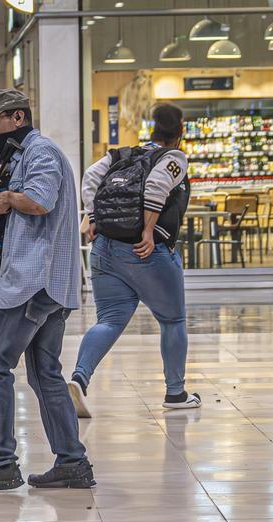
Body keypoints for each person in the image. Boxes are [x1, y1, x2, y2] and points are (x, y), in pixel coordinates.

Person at [0, 89, 93, 492]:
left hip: (33, 284)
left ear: (17, 117)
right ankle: (72, 462)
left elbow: (41, 202)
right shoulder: (26, 155)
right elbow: (34, 221)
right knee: (45, 373)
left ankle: (0, 463)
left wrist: (7, 198)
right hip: (48, 283)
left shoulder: (41, 153)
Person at [72, 103, 200, 418]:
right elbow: (157, 186)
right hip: (146, 252)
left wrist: (94, 218)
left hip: (105, 249)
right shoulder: (174, 158)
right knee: (172, 320)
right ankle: (175, 392)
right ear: (180, 131)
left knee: (110, 321)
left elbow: (90, 177)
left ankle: (79, 377)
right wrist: (147, 231)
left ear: (152, 129)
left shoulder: (122, 155)